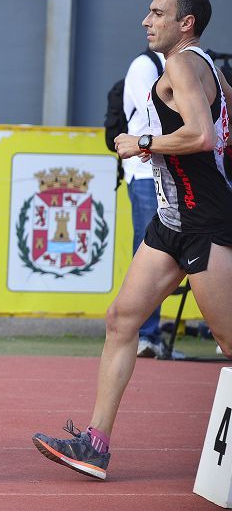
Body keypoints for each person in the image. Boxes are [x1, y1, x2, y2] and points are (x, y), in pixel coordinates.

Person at [33, 0, 232, 480]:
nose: (147, 20)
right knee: (122, 320)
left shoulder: (185, 64)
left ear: (186, 23)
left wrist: (141, 142)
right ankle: (95, 445)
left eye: (157, 12)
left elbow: (204, 135)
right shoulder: (206, 67)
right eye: (148, 11)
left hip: (205, 222)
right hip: (172, 221)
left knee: (230, 343)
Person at [119, 47, 171, 358]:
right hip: (145, 173)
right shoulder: (144, 65)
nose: (148, 22)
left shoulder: (193, 63)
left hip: (180, 173)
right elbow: (157, 117)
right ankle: (145, 335)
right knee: (149, 252)